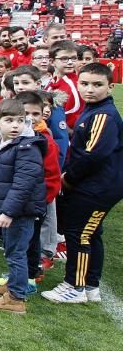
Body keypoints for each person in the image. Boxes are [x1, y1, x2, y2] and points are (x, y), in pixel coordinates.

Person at [42, 63, 123, 305]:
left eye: (97, 85)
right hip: (98, 184)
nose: (90, 89)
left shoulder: (103, 115)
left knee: (79, 234)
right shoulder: (94, 109)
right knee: (91, 233)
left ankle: (74, 286)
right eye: (85, 84)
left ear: (110, 86)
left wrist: (68, 178)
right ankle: (91, 285)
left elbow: (93, 155)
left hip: (98, 187)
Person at [0, 99, 46, 314]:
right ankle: (14, 284)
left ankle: (15, 298)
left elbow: (24, 183)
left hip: (19, 211)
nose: (15, 125)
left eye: (21, 121)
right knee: (13, 249)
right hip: (9, 207)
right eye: (9, 120)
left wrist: (9, 211)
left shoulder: (26, 147)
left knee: (16, 253)